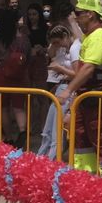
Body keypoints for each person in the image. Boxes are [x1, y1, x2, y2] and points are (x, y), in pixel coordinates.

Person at [60, 0, 102, 174]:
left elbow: (88, 69)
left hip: (99, 97)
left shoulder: (98, 37)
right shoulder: (91, 36)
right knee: (81, 138)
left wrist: (68, 90)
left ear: (90, 14)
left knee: (101, 140)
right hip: (89, 96)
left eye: (78, 13)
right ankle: (85, 178)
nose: (76, 17)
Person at [37, 19, 77, 159]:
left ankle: (50, 161)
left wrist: (60, 69)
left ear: (65, 37)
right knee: (48, 129)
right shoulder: (63, 48)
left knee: (57, 132)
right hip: (61, 86)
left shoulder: (75, 48)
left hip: (69, 89)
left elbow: (78, 74)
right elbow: (51, 54)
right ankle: (40, 159)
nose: (57, 45)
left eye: (57, 42)